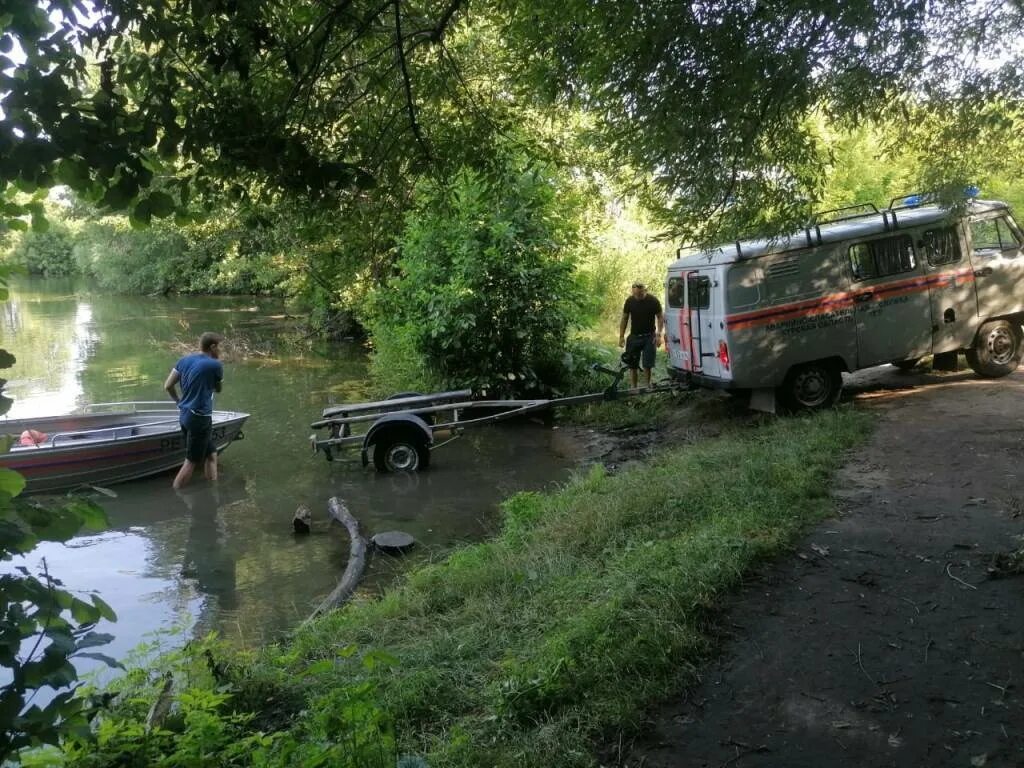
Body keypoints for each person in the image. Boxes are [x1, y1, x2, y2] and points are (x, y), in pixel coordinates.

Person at [164, 332, 224, 489]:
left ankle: (212, 490)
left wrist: (179, 402)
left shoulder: (184, 360)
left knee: (211, 454)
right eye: (219, 347)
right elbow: (218, 389)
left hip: (185, 415)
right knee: (191, 461)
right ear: (212, 347)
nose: (220, 351)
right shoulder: (215, 365)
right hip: (200, 417)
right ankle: (177, 494)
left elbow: (168, 386)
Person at [618, 282, 664, 388]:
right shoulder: (629, 301)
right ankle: (633, 387)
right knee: (632, 363)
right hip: (634, 336)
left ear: (645, 291)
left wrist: (659, 334)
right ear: (632, 292)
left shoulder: (653, 301)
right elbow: (624, 318)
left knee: (647, 364)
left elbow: (660, 317)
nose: (637, 297)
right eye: (635, 295)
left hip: (649, 336)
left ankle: (648, 385)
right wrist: (621, 336)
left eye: (640, 294)